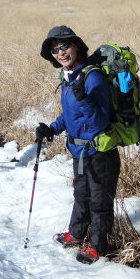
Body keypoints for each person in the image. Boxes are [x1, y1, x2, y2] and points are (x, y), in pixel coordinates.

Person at [34, 25, 120, 265]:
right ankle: (76, 233)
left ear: (77, 46)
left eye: (64, 46)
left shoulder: (93, 77)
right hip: (79, 151)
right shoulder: (69, 76)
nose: (60, 53)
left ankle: (97, 244)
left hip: (100, 153)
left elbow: (100, 121)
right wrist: (52, 128)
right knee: (81, 194)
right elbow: (70, 116)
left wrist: (82, 97)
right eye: (55, 49)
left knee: (99, 200)